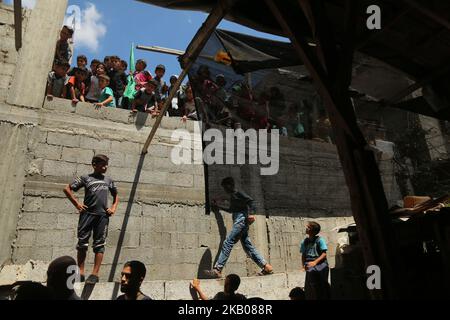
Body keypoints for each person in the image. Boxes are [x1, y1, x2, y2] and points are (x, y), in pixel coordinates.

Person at [63, 155, 119, 284]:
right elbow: (67, 189)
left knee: (99, 244)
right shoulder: (86, 178)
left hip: (102, 216)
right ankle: (81, 273)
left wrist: (113, 208)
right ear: (94, 165)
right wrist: (77, 204)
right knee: (82, 243)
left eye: (106, 164)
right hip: (87, 215)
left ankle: (95, 274)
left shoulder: (109, 180)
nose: (105, 167)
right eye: (103, 164)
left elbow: (116, 196)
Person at [205, 177, 273, 278]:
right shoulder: (233, 195)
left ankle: (218, 269)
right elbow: (232, 209)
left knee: (228, 242)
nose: (225, 190)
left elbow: (251, 201)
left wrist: (251, 214)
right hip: (239, 220)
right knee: (247, 246)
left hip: (241, 220)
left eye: (225, 187)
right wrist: (219, 207)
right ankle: (266, 266)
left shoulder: (238, 192)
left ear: (230, 185)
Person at [300, 221, 331, 300]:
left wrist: (315, 262)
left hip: (320, 264)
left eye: (308, 227)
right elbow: (303, 255)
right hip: (310, 265)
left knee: (323, 284)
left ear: (313, 230)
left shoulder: (320, 240)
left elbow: (324, 254)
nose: (306, 228)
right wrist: (303, 265)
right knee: (313, 285)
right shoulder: (305, 242)